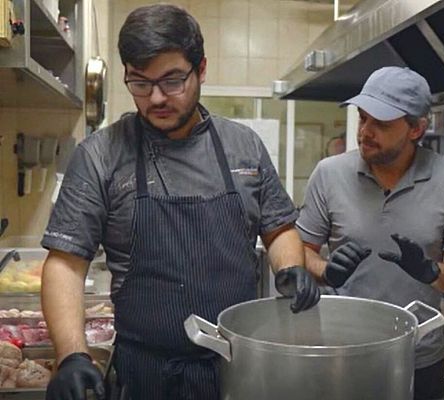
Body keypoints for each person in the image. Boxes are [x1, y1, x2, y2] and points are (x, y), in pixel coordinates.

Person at [40, 5, 319, 400]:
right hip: (144, 373)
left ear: (200, 69)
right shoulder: (101, 155)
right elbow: (66, 264)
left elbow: (278, 228)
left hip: (237, 367)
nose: (155, 98)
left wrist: (291, 268)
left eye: (172, 81)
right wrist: (71, 355)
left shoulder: (243, 147)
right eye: (139, 83)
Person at [297, 66, 444, 400]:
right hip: (341, 351)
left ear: (416, 128)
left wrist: (431, 271)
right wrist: (326, 271)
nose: (365, 131)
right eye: (363, 118)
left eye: (380, 123)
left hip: (418, 355)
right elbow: (300, 253)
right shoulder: (329, 174)